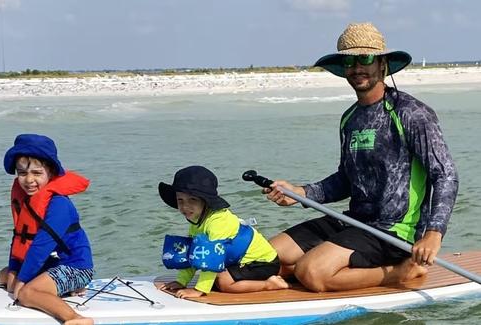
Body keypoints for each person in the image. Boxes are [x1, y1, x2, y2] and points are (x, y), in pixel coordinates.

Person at [264, 22, 458, 292]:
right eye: (349, 61)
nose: (356, 68)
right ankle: (337, 268)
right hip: (353, 221)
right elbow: (346, 179)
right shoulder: (350, 119)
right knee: (264, 256)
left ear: (382, 64)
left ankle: (399, 272)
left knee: (312, 272)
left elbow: (445, 174)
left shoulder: (412, 114)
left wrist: (434, 234)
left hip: (394, 231)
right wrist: (300, 192)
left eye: (365, 58)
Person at [0, 134, 94, 325]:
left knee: (26, 293)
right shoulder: (26, 201)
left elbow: (41, 245)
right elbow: (19, 239)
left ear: (50, 172)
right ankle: (62, 288)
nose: (29, 180)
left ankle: (76, 318)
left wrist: (23, 280)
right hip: (49, 264)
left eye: (37, 173)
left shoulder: (59, 205)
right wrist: (14, 270)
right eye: (22, 173)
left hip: (75, 266)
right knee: (4, 275)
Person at [158, 165, 289, 299]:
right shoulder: (197, 220)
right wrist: (182, 281)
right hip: (238, 262)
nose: (185, 206)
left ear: (206, 202)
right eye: (180, 200)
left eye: (193, 200)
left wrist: (200, 290)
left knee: (223, 282)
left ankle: (269, 284)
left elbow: (212, 258)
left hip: (262, 263)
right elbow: (195, 254)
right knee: (213, 278)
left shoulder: (217, 222)